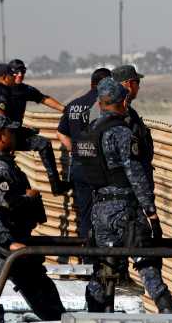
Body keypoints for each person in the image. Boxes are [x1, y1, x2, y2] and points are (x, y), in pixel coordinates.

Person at [80, 77, 172, 313]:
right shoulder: (121, 132)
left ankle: (92, 315)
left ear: (101, 103)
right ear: (123, 101)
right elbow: (135, 173)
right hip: (124, 209)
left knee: (103, 270)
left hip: (98, 210)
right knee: (146, 262)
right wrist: (151, 211)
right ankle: (170, 312)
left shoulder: (89, 132)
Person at [0, 113, 65, 321]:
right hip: (6, 243)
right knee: (42, 295)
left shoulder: (5, 164)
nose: (15, 137)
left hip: (14, 241)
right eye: (11, 132)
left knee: (43, 293)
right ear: (0, 136)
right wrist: (8, 241)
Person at [0, 61, 68, 195]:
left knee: (43, 143)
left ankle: (56, 185)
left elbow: (43, 98)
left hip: (14, 134)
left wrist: (65, 110)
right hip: (1, 137)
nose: (20, 75)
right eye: (16, 72)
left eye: (23, 72)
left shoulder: (24, 90)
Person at [56, 68, 111, 238]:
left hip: (79, 166)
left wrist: (77, 149)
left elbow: (60, 133)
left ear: (91, 83)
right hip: (99, 168)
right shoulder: (104, 105)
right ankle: (101, 259)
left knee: (85, 215)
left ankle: (86, 259)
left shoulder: (73, 105)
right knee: (104, 214)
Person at [111, 65, 154, 190]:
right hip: (129, 185)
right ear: (129, 84)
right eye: (137, 82)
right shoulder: (123, 112)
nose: (139, 87)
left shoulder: (103, 108)